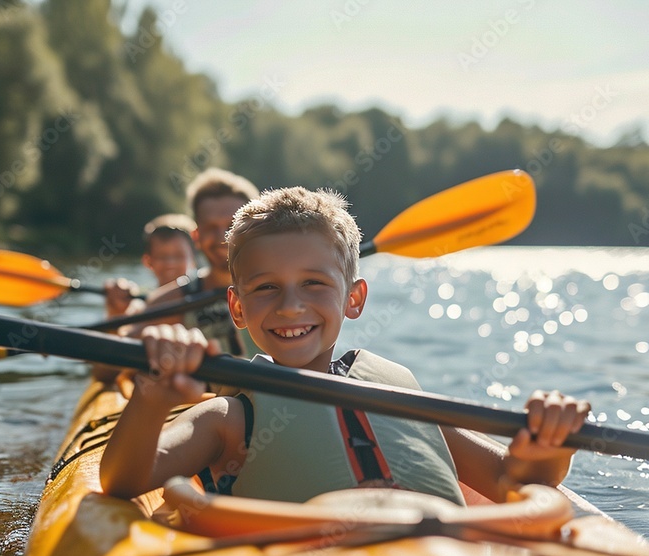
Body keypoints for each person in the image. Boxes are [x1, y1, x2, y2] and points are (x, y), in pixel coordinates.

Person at [99, 187, 590, 505]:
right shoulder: (226, 418)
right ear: (238, 308)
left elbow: (511, 479)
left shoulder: (403, 397)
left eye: (314, 283)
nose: (291, 307)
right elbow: (122, 482)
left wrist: (550, 444)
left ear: (354, 298)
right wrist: (152, 396)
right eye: (266, 287)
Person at [125, 167, 261, 357]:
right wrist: (115, 315)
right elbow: (105, 370)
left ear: (255, 231)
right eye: (211, 227)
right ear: (196, 236)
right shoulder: (169, 302)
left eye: (233, 225)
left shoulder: (285, 293)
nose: (223, 237)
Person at [101, 214, 198, 320]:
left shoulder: (205, 302)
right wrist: (116, 311)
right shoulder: (137, 306)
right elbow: (117, 333)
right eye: (162, 256)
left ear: (193, 259)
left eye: (179, 256)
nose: (170, 263)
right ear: (148, 261)